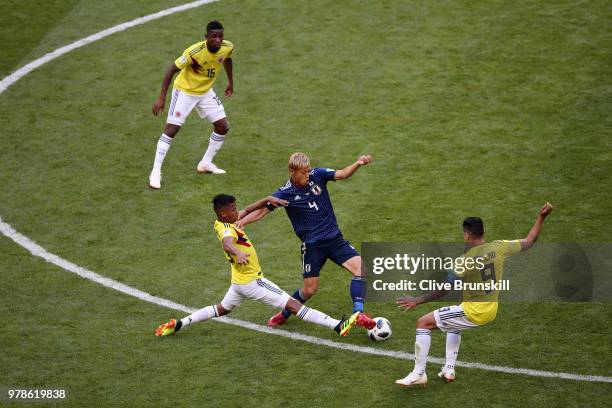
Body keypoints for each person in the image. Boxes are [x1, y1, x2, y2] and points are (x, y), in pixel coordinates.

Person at [155, 194, 376, 338]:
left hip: (238, 283)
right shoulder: (227, 230)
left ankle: (179, 323)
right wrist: (237, 251)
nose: (237, 212)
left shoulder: (223, 221)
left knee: (221, 309)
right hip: (253, 282)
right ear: (224, 213)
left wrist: (267, 200)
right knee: (292, 305)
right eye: (233, 210)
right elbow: (227, 242)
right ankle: (338, 325)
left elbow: (248, 210)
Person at [394, 203, 554, 387]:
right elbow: (530, 241)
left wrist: (418, 300)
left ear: (467, 234)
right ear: (483, 232)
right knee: (453, 321)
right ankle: (449, 368)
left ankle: (418, 373)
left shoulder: (465, 260)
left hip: (474, 312)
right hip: (490, 309)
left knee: (423, 323)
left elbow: (445, 288)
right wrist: (541, 217)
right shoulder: (499, 248)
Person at [237, 152, 373, 327]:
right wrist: (242, 223)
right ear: (292, 171)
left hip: (335, 240)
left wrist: (358, 163)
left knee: (361, 270)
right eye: (303, 173)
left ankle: (358, 314)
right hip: (313, 246)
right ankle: (283, 314)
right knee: (309, 290)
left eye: (308, 171)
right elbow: (262, 211)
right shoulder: (285, 193)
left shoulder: (318, 175)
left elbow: (342, 174)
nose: (307, 175)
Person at [148, 20, 234, 189]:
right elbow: (170, 70)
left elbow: (227, 60)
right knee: (172, 129)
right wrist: (161, 98)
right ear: (206, 37)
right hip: (184, 92)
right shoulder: (194, 52)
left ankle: (205, 163)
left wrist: (231, 82)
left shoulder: (227, 46)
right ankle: (155, 172)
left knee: (223, 126)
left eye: (220, 36)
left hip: (205, 92)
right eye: (214, 36)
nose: (218, 39)